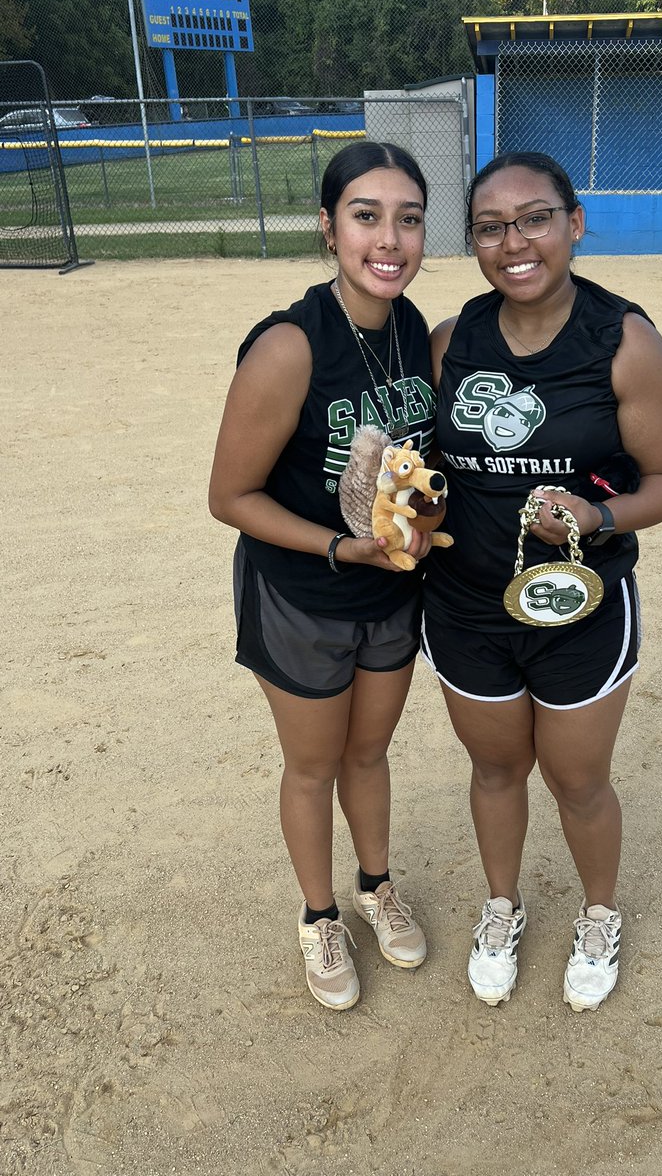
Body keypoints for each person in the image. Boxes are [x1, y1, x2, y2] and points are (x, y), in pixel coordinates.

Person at [422, 151, 662, 1012]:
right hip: (466, 606)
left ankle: (600, 914)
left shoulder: (627, 343)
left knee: (578, 780)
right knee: (495, 770)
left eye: (534, 217)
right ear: (474, 243)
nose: (515, 242)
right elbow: (421, 466)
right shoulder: (450, 341)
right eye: (492, 227)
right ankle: (502, 909)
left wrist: (597, 517)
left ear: (574, 223)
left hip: (583, 608)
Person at [208, 141, 435, 1012]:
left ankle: (375, 885)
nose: (390, 238)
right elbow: (230, 496)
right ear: (328, 228)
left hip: (390, 591)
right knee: (312, 766)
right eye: (366, 215)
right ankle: (319, 915)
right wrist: (340, 549)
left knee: (369, 753)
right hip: (304, 594)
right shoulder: (289, 346)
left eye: (408, 218)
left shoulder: (414, 330)